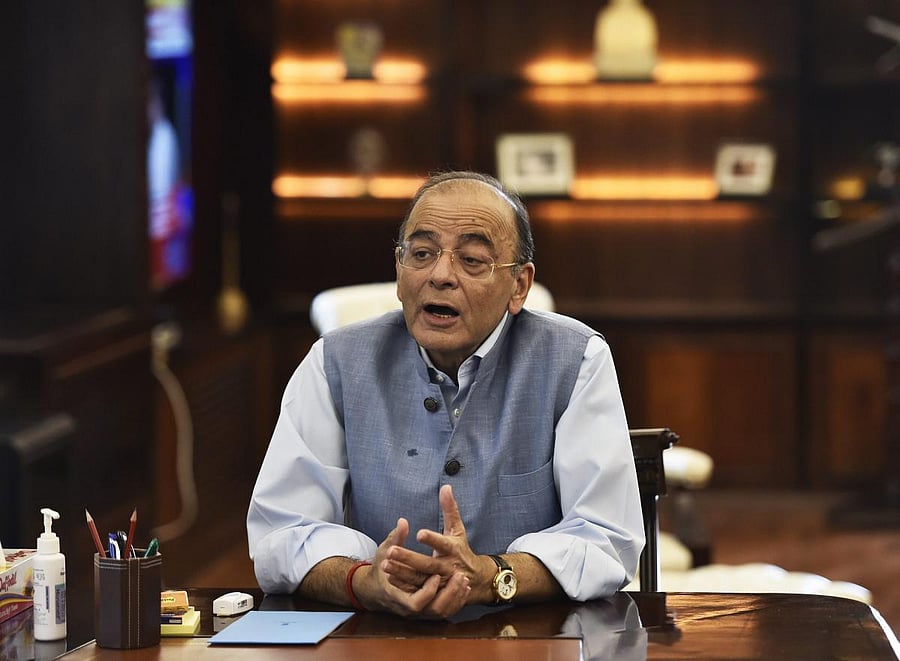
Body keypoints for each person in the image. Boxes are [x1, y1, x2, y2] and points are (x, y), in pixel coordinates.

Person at [247, 171, 644, 619]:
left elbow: (606, 538)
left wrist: (493, 576)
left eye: (473, 259)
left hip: (529, 636)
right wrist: (363, 581)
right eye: (421, 253)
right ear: (399, 272)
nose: (440, 275)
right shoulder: (335, 361)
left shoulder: (576, 359)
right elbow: (280, 534)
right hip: (378, 636)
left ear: (519, 285)